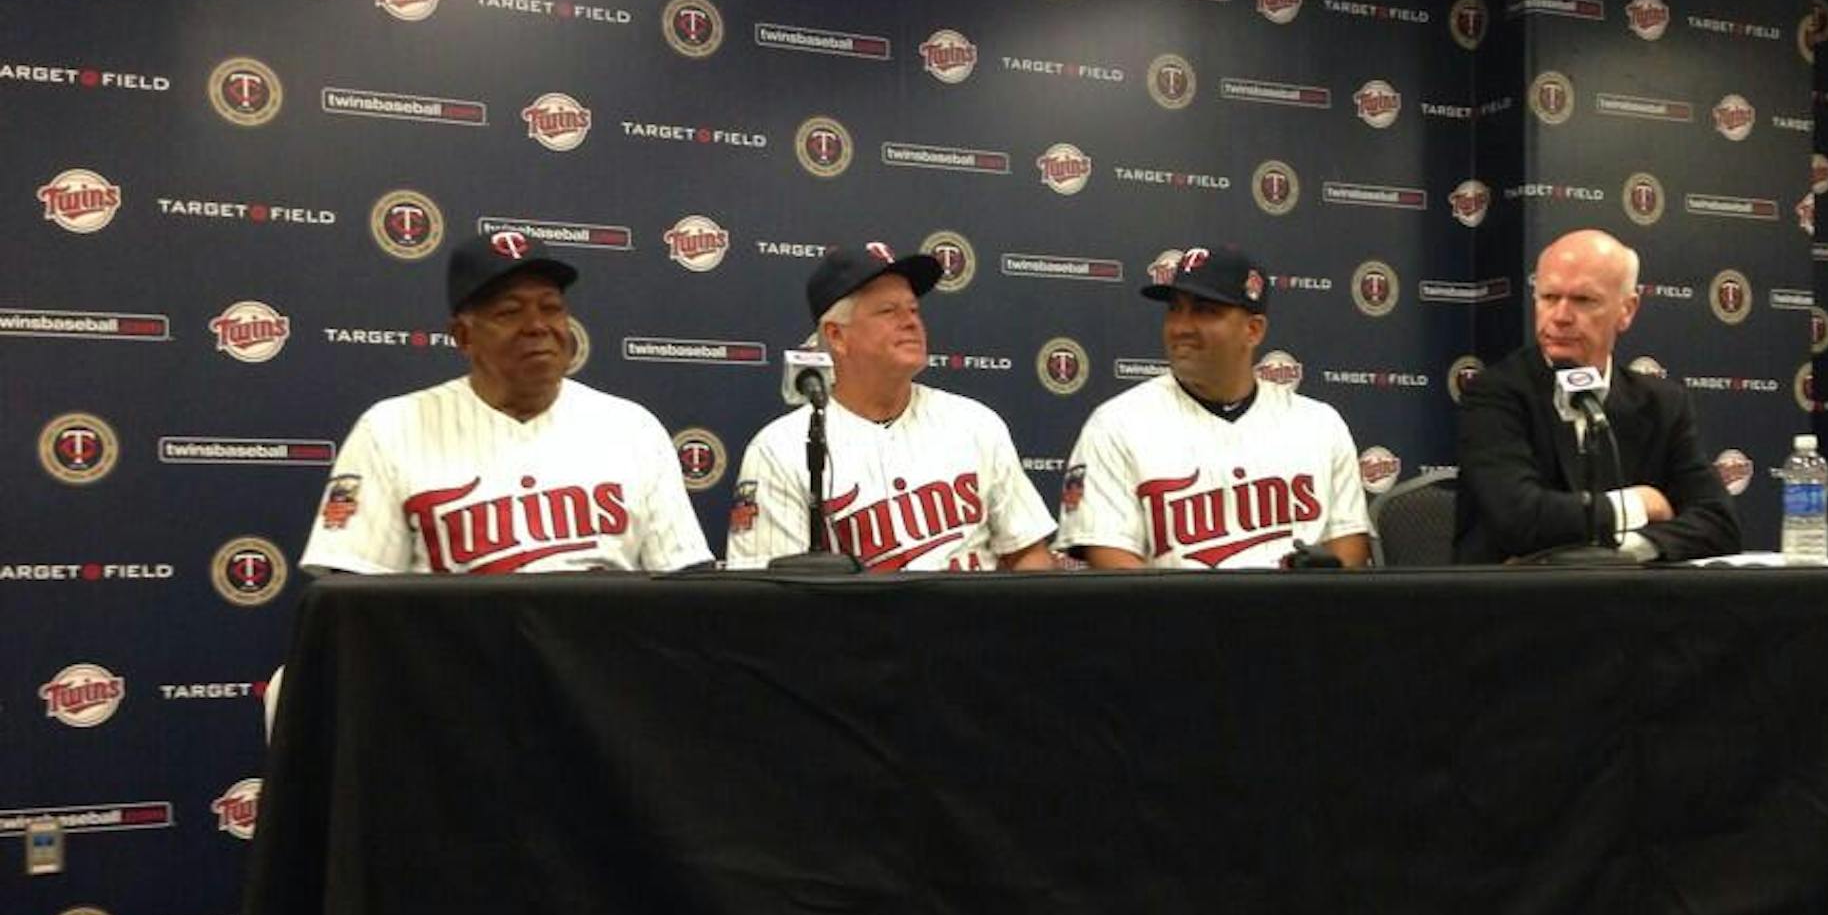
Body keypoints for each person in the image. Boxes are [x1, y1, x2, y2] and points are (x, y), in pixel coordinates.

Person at [300, 230, 714, 575]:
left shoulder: (632, 428)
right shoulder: (390, 429)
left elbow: (684, 580)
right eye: (509, 312)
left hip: (599, 666)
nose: (537, 327)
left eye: (551, 308)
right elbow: (351, 594)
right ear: (463, 336)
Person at [726, 242, 1055, 571]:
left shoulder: (975, 424)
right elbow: (768, 594)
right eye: (888, 311)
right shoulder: (779, 449)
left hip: (974, 621)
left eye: (913, 310)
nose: (910, 322)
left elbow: (1028, 552)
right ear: (836, 336)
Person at [1057, 244, 1371, 568]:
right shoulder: (1117, 424)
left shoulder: (1319, 425)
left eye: (1205, 311)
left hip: (1297, 615)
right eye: (1175, 309)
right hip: (1175, 615)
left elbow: (1348, 546)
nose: (1181, 327)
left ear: (1253, 330)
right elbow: (1112, 559)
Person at [1454, 227, 1740, 563]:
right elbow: (1520, 519)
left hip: (1629, 605)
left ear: (1627, 310)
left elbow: (1719, 525)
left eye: (1583, 300)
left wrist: (1623, 550)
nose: (1559, 316)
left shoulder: (1662, 404)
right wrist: (1638, 503)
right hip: (1513, 606)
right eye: (1548, 297)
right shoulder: (1495, 394)